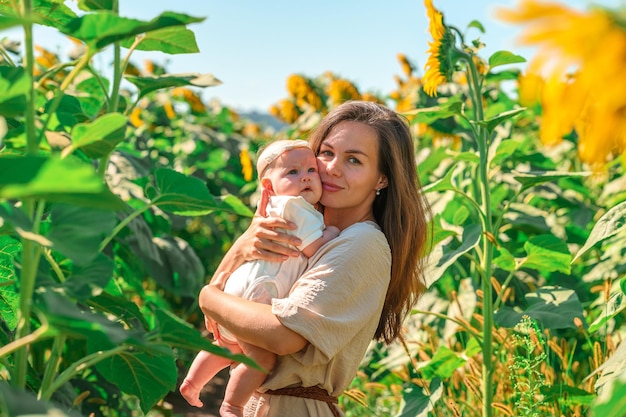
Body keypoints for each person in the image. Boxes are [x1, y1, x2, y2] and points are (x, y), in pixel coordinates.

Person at [199, 100, 431, 417]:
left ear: (382, 179)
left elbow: (283, 335)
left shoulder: (362, 242)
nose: (332, 168)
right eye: (326, 153)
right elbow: (230, 318)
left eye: (354, 160)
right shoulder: (307, 230)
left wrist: (208, 295)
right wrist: (242, 247)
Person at [180, 140, 340, 416]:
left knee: (228, 343)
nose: (304, 176)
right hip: (261, 293)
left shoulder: (276, 207)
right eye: (292, 172)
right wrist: (332, 234)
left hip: (242, 287)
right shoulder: (297, 208)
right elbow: (314, 247)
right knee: (261, 356)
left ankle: (193, 383)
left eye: (311, 170)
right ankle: (231, 404)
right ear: (268, 187)